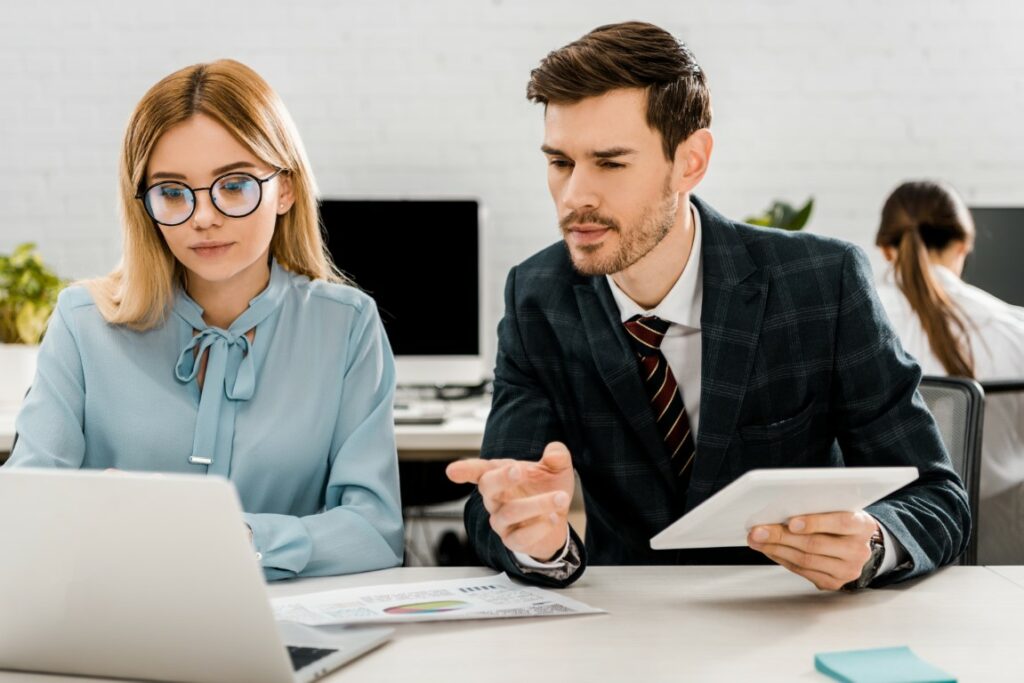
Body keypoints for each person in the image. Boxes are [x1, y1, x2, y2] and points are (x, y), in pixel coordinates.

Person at [447, 22, 969, 590]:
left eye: (611, 163)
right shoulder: (537, 297)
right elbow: (498, 498)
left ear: (690, 161)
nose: (575, 197)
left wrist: (872, 543)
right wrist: (538, 541)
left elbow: (938, 497)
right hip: (629, 633)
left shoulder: (822, 283)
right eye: (560, 163)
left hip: (793, 618)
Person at [6, 60, 404, 580]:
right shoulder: (84, 324)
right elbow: (26, 510)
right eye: (172, 192)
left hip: (281, 622)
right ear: (145, 204)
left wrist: (237, 540)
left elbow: (374, 531)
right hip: (110, 616)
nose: (203, 217)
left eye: (233, 185)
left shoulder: (347, 325)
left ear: (285, 188)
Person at [875, 180, 1024, 564]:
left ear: (885, 248)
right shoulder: (1015, 329)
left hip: (891, 546)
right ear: (963, 246)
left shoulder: (852, 327)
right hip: (1004, 549)